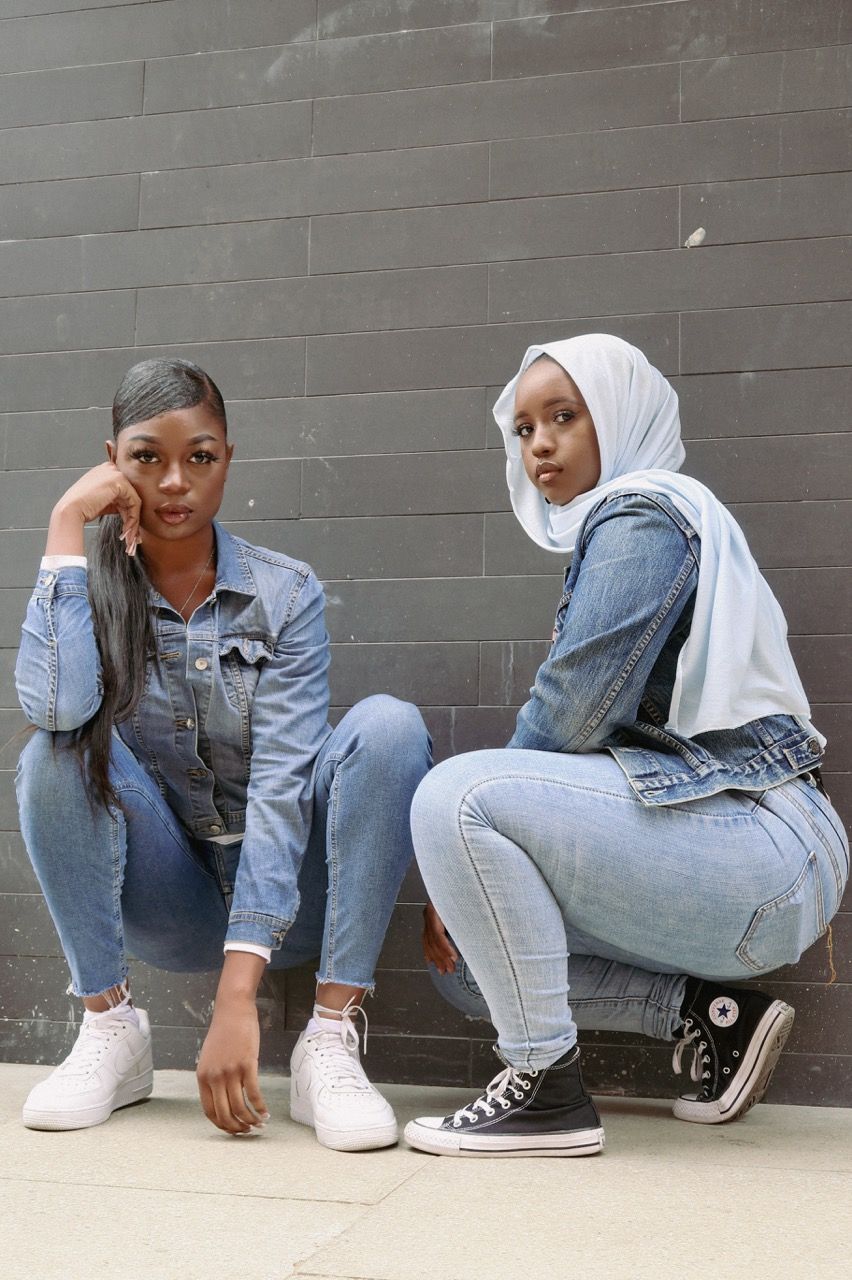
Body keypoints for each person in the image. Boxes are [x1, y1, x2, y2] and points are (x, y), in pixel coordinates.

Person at [404, 334, 848, 1158]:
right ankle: (714, 1018)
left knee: (453, 797)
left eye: (564, 417)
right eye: (524, 428)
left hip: (763, 840)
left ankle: (546, 1090)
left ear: (619, 415)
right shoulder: (628, 526)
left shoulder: (644, 513)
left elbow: (570, 712)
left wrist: (457, 846)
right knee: (470, 964)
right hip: (714, 860)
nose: (539, 443)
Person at [15, 356, 431, 1151]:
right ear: (112, 464)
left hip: (292, 907)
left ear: (227, 461)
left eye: (199, 457)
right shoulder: (93, 589)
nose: (175, 481)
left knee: (388, 727)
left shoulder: (284, 593)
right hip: (169, 901)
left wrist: (236, 997)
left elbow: (283, 784)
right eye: (147, 458)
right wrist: (67, 525)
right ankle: (111, 1029)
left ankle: (330, 1036)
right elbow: (56, 706)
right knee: (55, 754)